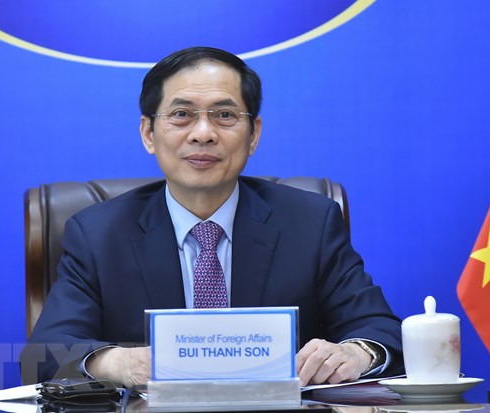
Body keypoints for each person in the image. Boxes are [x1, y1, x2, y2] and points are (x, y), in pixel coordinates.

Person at [20, 46, 404, 387]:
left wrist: (355, 354)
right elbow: (46, 354)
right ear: (148, 133)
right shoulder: (97, 234)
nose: (203, 133)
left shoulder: (310, 222)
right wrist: (118, 363)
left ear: (253, 134)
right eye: (181, 114)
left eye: (224, 115)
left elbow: (383, 333)